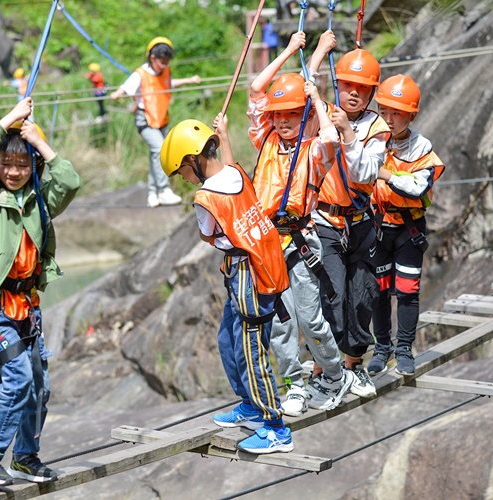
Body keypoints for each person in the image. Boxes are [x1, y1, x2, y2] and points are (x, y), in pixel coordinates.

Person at [0, 96, 80, 485]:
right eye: (6, 163)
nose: (13, 171)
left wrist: (39, 142)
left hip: (27, 305)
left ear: (34, 166)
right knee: (17, 376)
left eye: (22, 164)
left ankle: (26, 457)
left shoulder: (41, 202)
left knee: (39, 384)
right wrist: (11, 119)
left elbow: (70, 181)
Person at [159, 114, 293, 454]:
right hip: (259, 264)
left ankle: (276, 427)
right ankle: (250, 403)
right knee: (227, 339)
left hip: (249, 273)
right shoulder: (236, 173)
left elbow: (208, 234)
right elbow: (229, 165)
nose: (184, 179)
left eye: (182, 171)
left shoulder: (205, 199)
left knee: (251, 351)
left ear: (193, 160)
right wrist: (225, 134)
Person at [247, 31, 355, 417]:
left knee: (310, 319)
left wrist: (313, 100)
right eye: (278, 115)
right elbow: (258, 88)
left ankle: (333, 372)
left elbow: (330, 135)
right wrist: (291, 50)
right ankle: (294, 381)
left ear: (303, 116)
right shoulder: (266, 141)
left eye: (292, 115)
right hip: (267, 244)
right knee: (281, 323)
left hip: (299, 241)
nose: (283, 121)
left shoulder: (314, 151)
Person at [306, 47, 391, 398]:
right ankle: (325, 369)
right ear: (337, 84)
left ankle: (353, 364)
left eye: (362, 87)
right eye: (348, 84)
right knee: (331, 294)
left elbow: (366, 172)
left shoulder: (377, 127)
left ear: (371, 92)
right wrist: (317, 52)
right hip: (325, 219)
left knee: (363, 295)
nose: (354, 92)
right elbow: (305, 86)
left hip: (360, 221)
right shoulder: (324, 114)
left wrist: (349, 134)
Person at [368, 74, 445, 376]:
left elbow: (416, 187)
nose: (388, 119)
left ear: (411, 114)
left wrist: (385, 175)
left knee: (408, 290)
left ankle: (404, 349)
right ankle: (382, 347)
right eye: (384, 111)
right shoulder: (373, 141)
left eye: (396, 113)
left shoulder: (421, 148)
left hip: (408, 230)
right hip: (378, 226)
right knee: (378, 290)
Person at [110, 36, 201, 208]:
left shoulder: (165, 71)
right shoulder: (141, 74)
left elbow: (168, 84)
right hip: (145, 119)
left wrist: (189, 80)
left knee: (155, 155)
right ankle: (164, 189)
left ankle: (153, 193)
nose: (165, 65)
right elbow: (126, 86)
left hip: (161, 119)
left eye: (167, 62)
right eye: (162, 62)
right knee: (159, 149)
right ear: (152, 58)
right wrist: (117, 93)